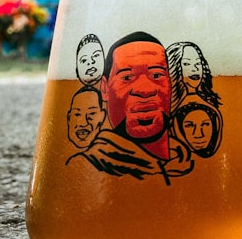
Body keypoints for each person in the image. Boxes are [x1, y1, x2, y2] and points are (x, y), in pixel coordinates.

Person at [68, 31, 192, 183]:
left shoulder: (185, 160)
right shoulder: (82, 168)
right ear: (105, 89)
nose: (145, 90)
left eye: (157, 75)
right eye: (127, 77)